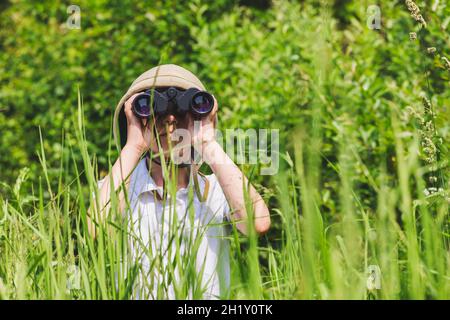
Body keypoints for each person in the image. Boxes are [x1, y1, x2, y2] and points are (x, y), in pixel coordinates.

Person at [88, 64, 270, 299]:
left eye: (182, 111)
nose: (170, 120)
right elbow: (96, 230)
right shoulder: (118, 189)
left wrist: (207, 142)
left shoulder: (215, 190)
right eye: (156, 110)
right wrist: (133, 145)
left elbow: (257, 224)